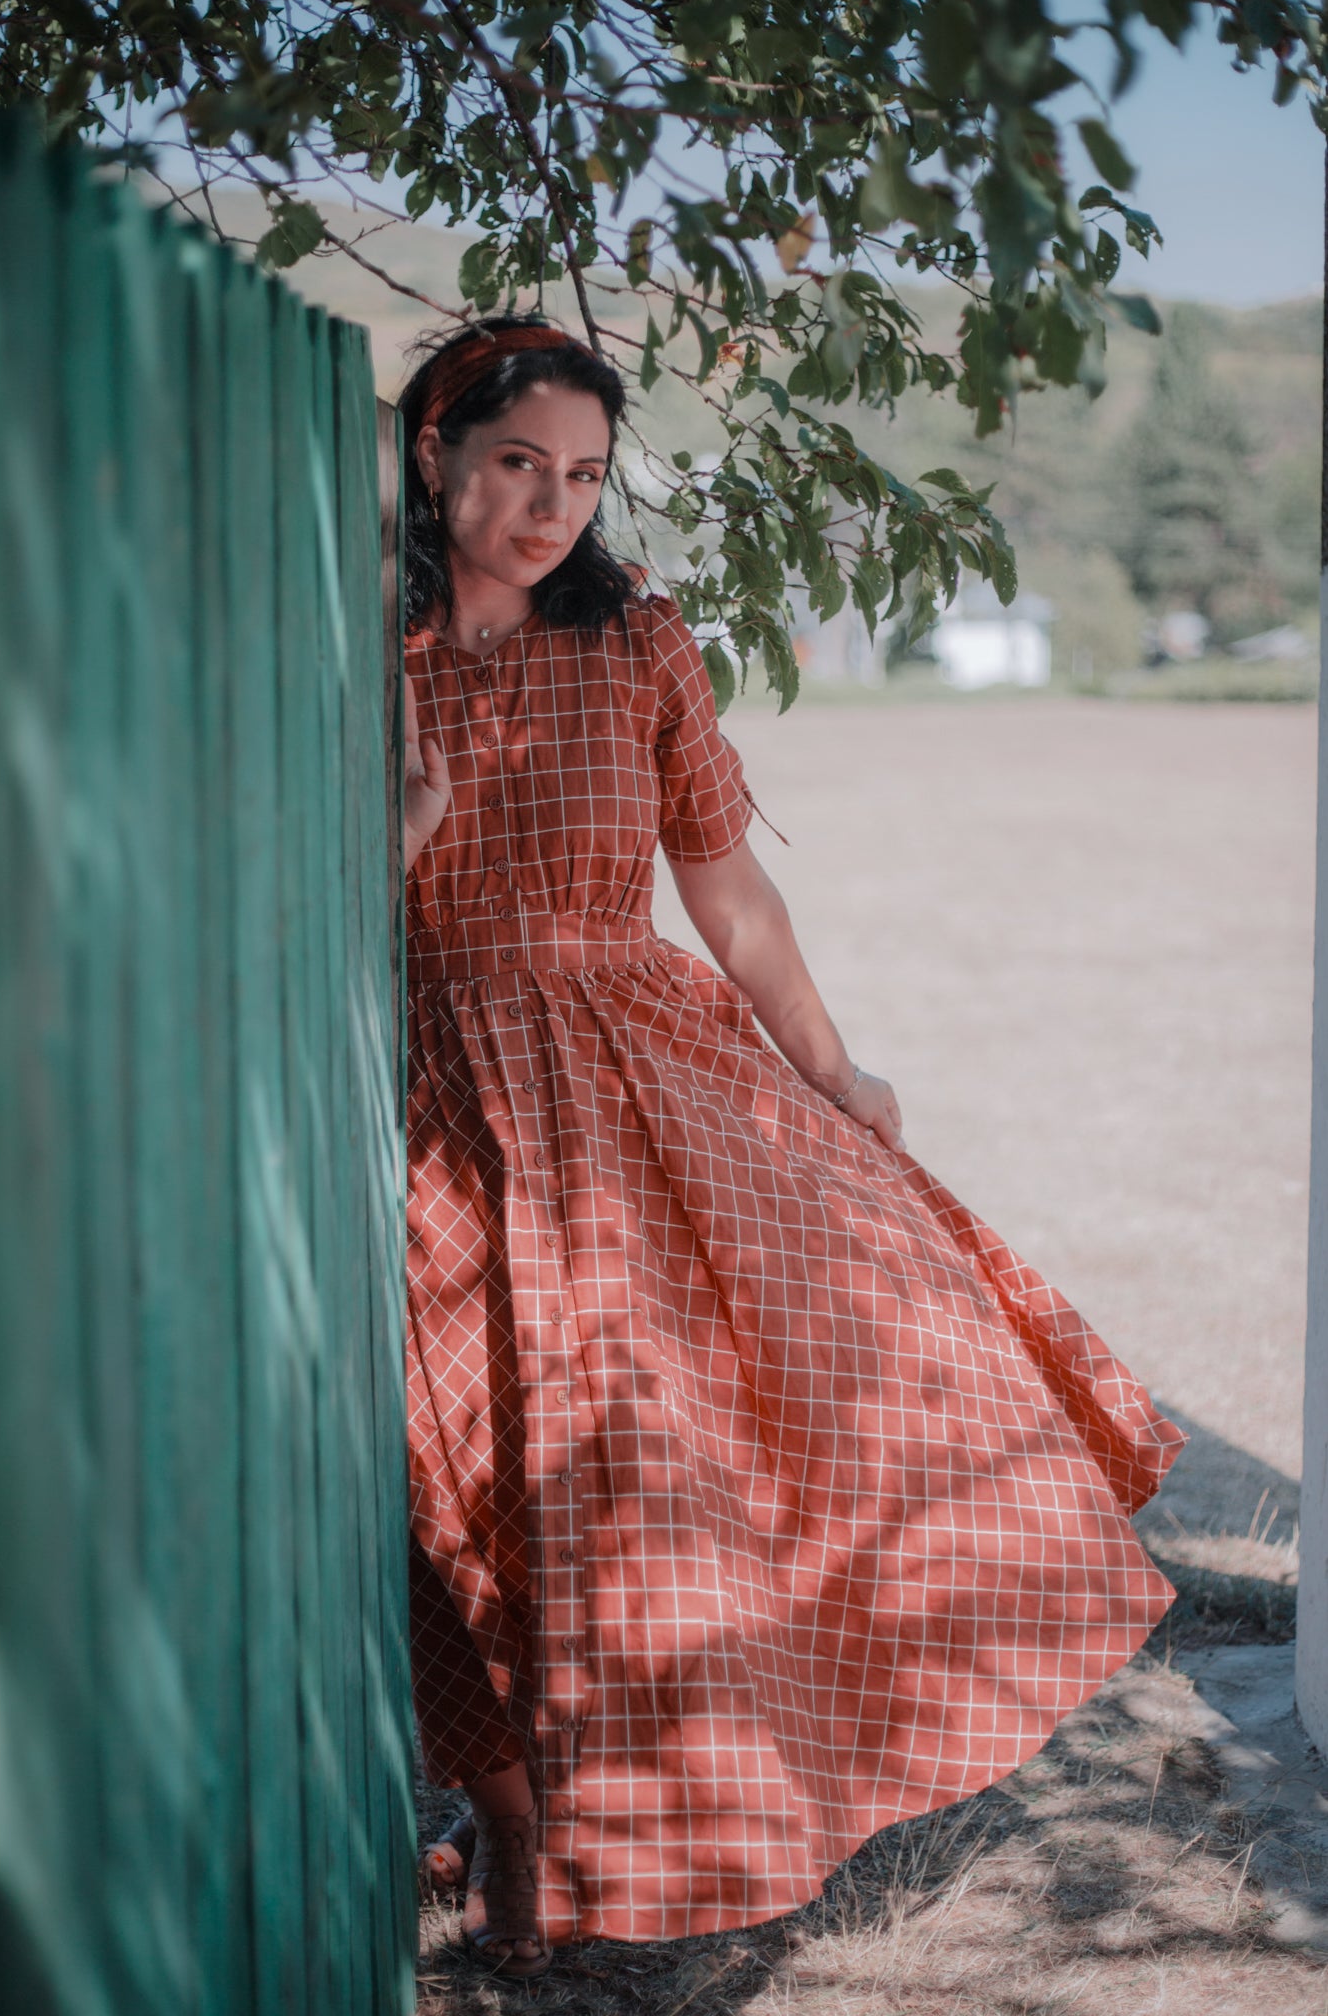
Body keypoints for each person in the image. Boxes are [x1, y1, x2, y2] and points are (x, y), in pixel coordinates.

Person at [397, 316, 1184, 1979]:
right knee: (459, 1486)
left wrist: (834, 1073)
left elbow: (725, 887)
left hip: (643, 1085)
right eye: (519, 463)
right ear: (434, 455)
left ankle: (666, 1804)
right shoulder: (344, 654)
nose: (552, 507)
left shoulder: (635, 646)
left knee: (686, 1453)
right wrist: (394, 827)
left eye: (585, 475)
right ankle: (515, 1815)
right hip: (427, 1096)